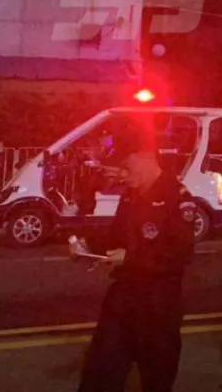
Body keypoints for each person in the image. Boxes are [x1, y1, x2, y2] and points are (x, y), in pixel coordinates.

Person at [76, 118, 197, 392]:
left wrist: (131, 258)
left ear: (145, 158)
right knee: (100, 370)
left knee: (155, 375)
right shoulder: (130, 197)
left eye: (125, 167)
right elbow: (116, 238)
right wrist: (88, 247)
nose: (120, 175)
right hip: (123, 297)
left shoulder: (177, 198)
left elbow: (179, 253)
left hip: (158, 303)